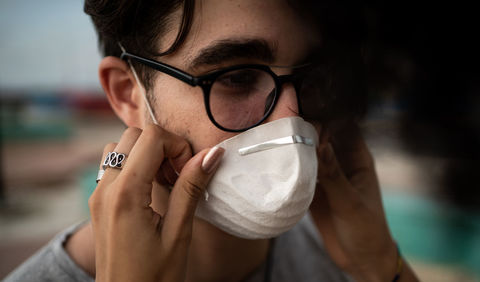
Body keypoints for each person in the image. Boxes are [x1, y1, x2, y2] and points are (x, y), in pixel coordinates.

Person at [5, 0, 419, 281]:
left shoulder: (350, 259)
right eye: (236, 77)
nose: (293, 119)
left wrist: (383, 264)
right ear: (129, 95)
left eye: (312, 78)